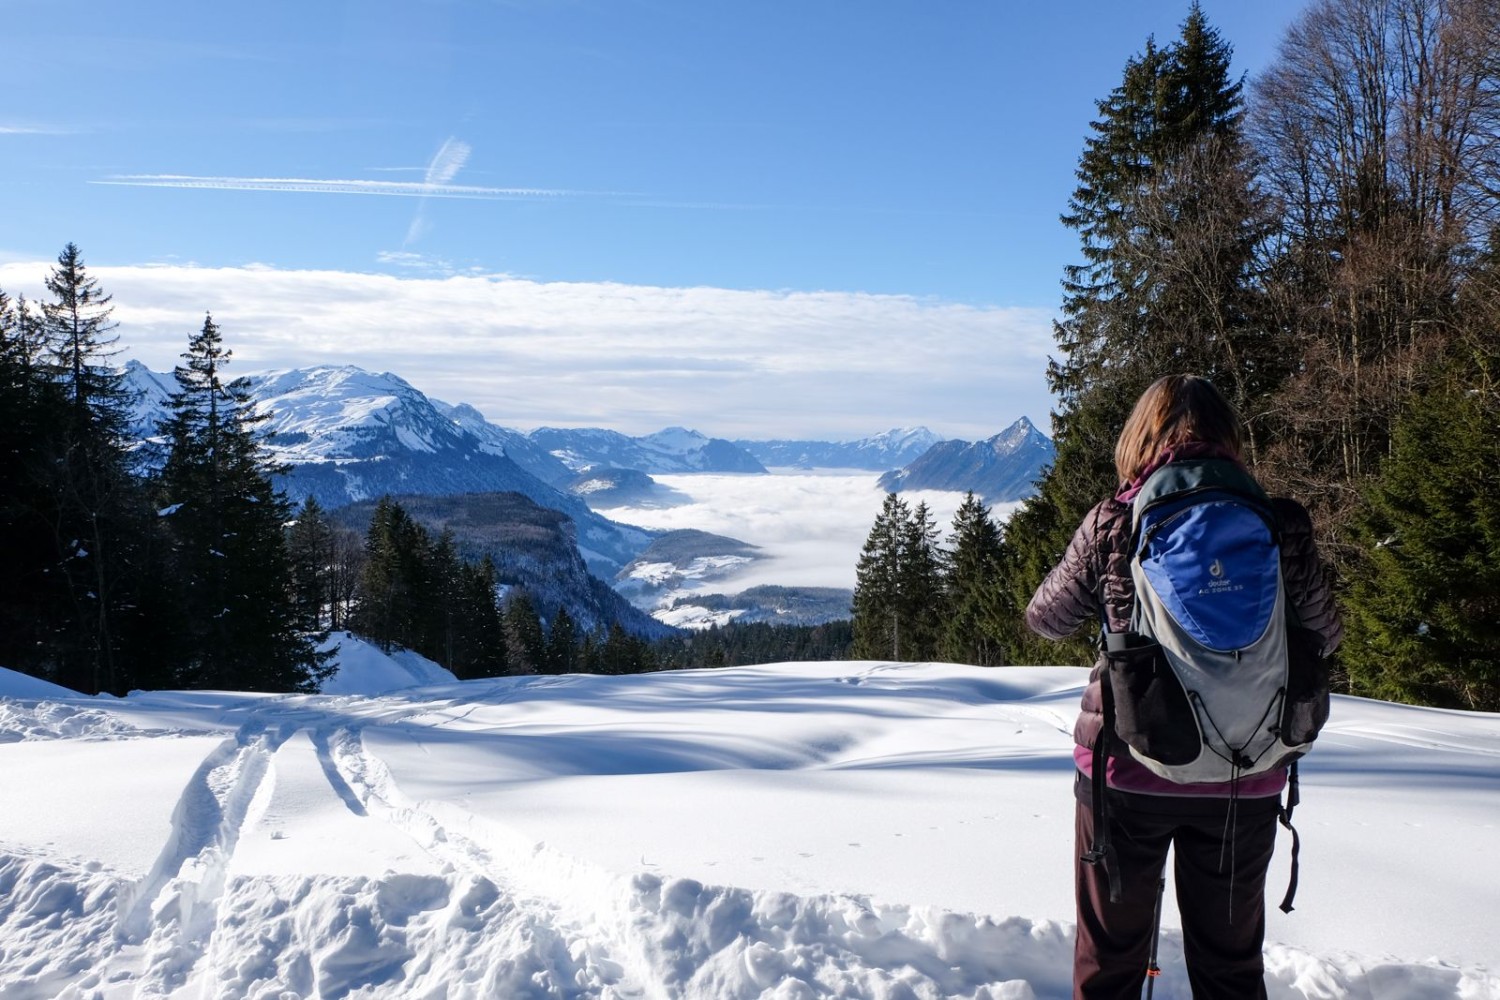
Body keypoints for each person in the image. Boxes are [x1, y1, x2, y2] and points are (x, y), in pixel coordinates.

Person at [1025, 374, 1342, 1000]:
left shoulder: (1115, 521)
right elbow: (1325, 633)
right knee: (1228, 967)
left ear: (1139, 437)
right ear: (1229, 438)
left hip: (1127, 769)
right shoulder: (1281, 525)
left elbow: (1046, 619)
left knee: (1111, 959)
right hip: (1245, 770)